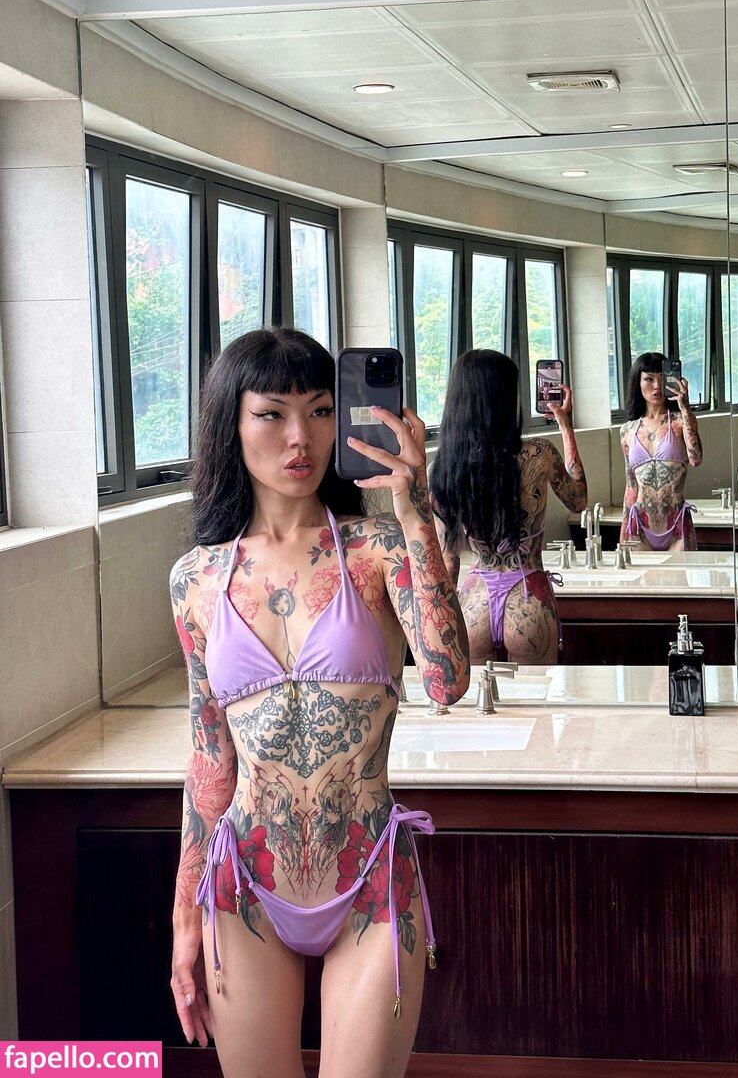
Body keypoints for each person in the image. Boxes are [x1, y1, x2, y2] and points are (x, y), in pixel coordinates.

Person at [168, 327, 469, 1078]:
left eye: (321, 410)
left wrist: (415, 510)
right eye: (272, 414)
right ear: (231, 425)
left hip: (367, 876)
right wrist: (183, 916)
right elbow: (209, 754)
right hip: (245, 881)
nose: (300, 437)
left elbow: (447, 679)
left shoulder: (379, 550)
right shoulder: (196, 579)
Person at [428, 349, 587, 665]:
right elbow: (579, 500)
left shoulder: (443, 467)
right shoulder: (540, 453)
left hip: (475, 602)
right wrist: (565, 425)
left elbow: (448, 559)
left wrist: (440, 626)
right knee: (539, 695)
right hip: (528, 598)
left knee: (480, 697)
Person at [619, 352, 703, 551]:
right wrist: (624, 527)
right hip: (640, 523)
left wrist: (685, 406)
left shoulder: (681, 422)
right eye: (649, 379)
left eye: (662, 379)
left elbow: (696, 458)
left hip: (676, 523)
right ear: (638, 383)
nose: (657, 386)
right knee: (639, 573)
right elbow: (631, 485)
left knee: (680, 571)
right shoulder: (627, 430)